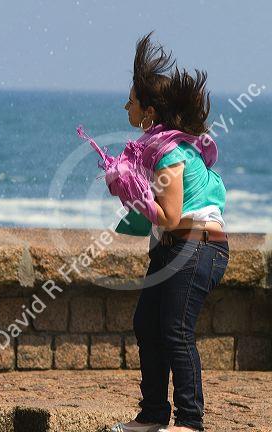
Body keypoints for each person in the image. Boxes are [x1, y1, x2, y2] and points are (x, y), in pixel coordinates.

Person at [111, 31, 229, 432]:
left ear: (147, 110)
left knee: (176, 331)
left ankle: (190, 422)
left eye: (131, 99)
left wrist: (129, 190)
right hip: (172, 248)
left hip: (198, 246)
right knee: (147, 324)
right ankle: (152, 415)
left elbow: (173, 215)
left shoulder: (167, 151)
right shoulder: (156, 144)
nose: (125, 104)